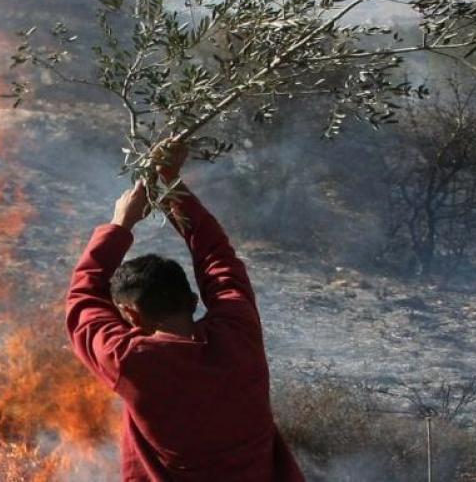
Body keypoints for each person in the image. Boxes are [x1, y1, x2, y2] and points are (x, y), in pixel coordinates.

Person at [65, 144, 304, 481]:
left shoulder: (131, 360)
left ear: (131, 315)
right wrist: (171, 184)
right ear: (193, 300)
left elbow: (83, 299)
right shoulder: (239, 333)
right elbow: (218, 259)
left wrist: (121, 223)